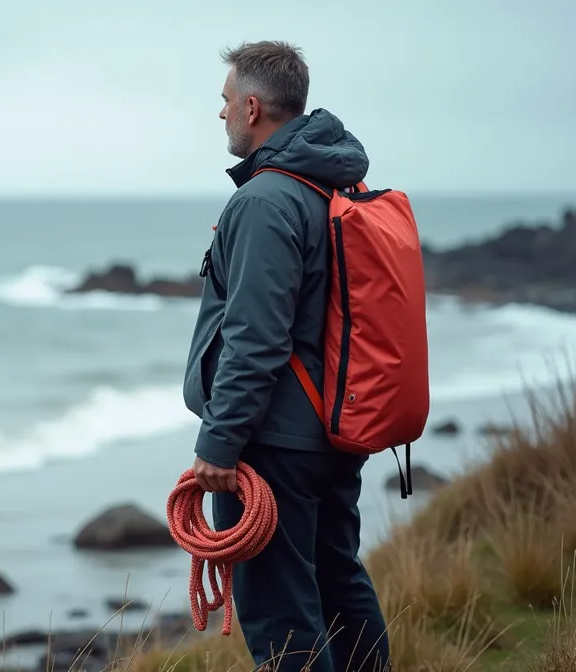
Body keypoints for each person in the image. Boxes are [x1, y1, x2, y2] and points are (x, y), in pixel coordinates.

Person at [181, 41, 390, 672]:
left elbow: (256, 340)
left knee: (281, 618)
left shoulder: (266, 200)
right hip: (333, 428)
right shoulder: (333, 182)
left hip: (274, 443)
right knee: (337, 589)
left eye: (224, 103)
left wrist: (219, 444)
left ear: (251, 105)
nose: (220, 116)